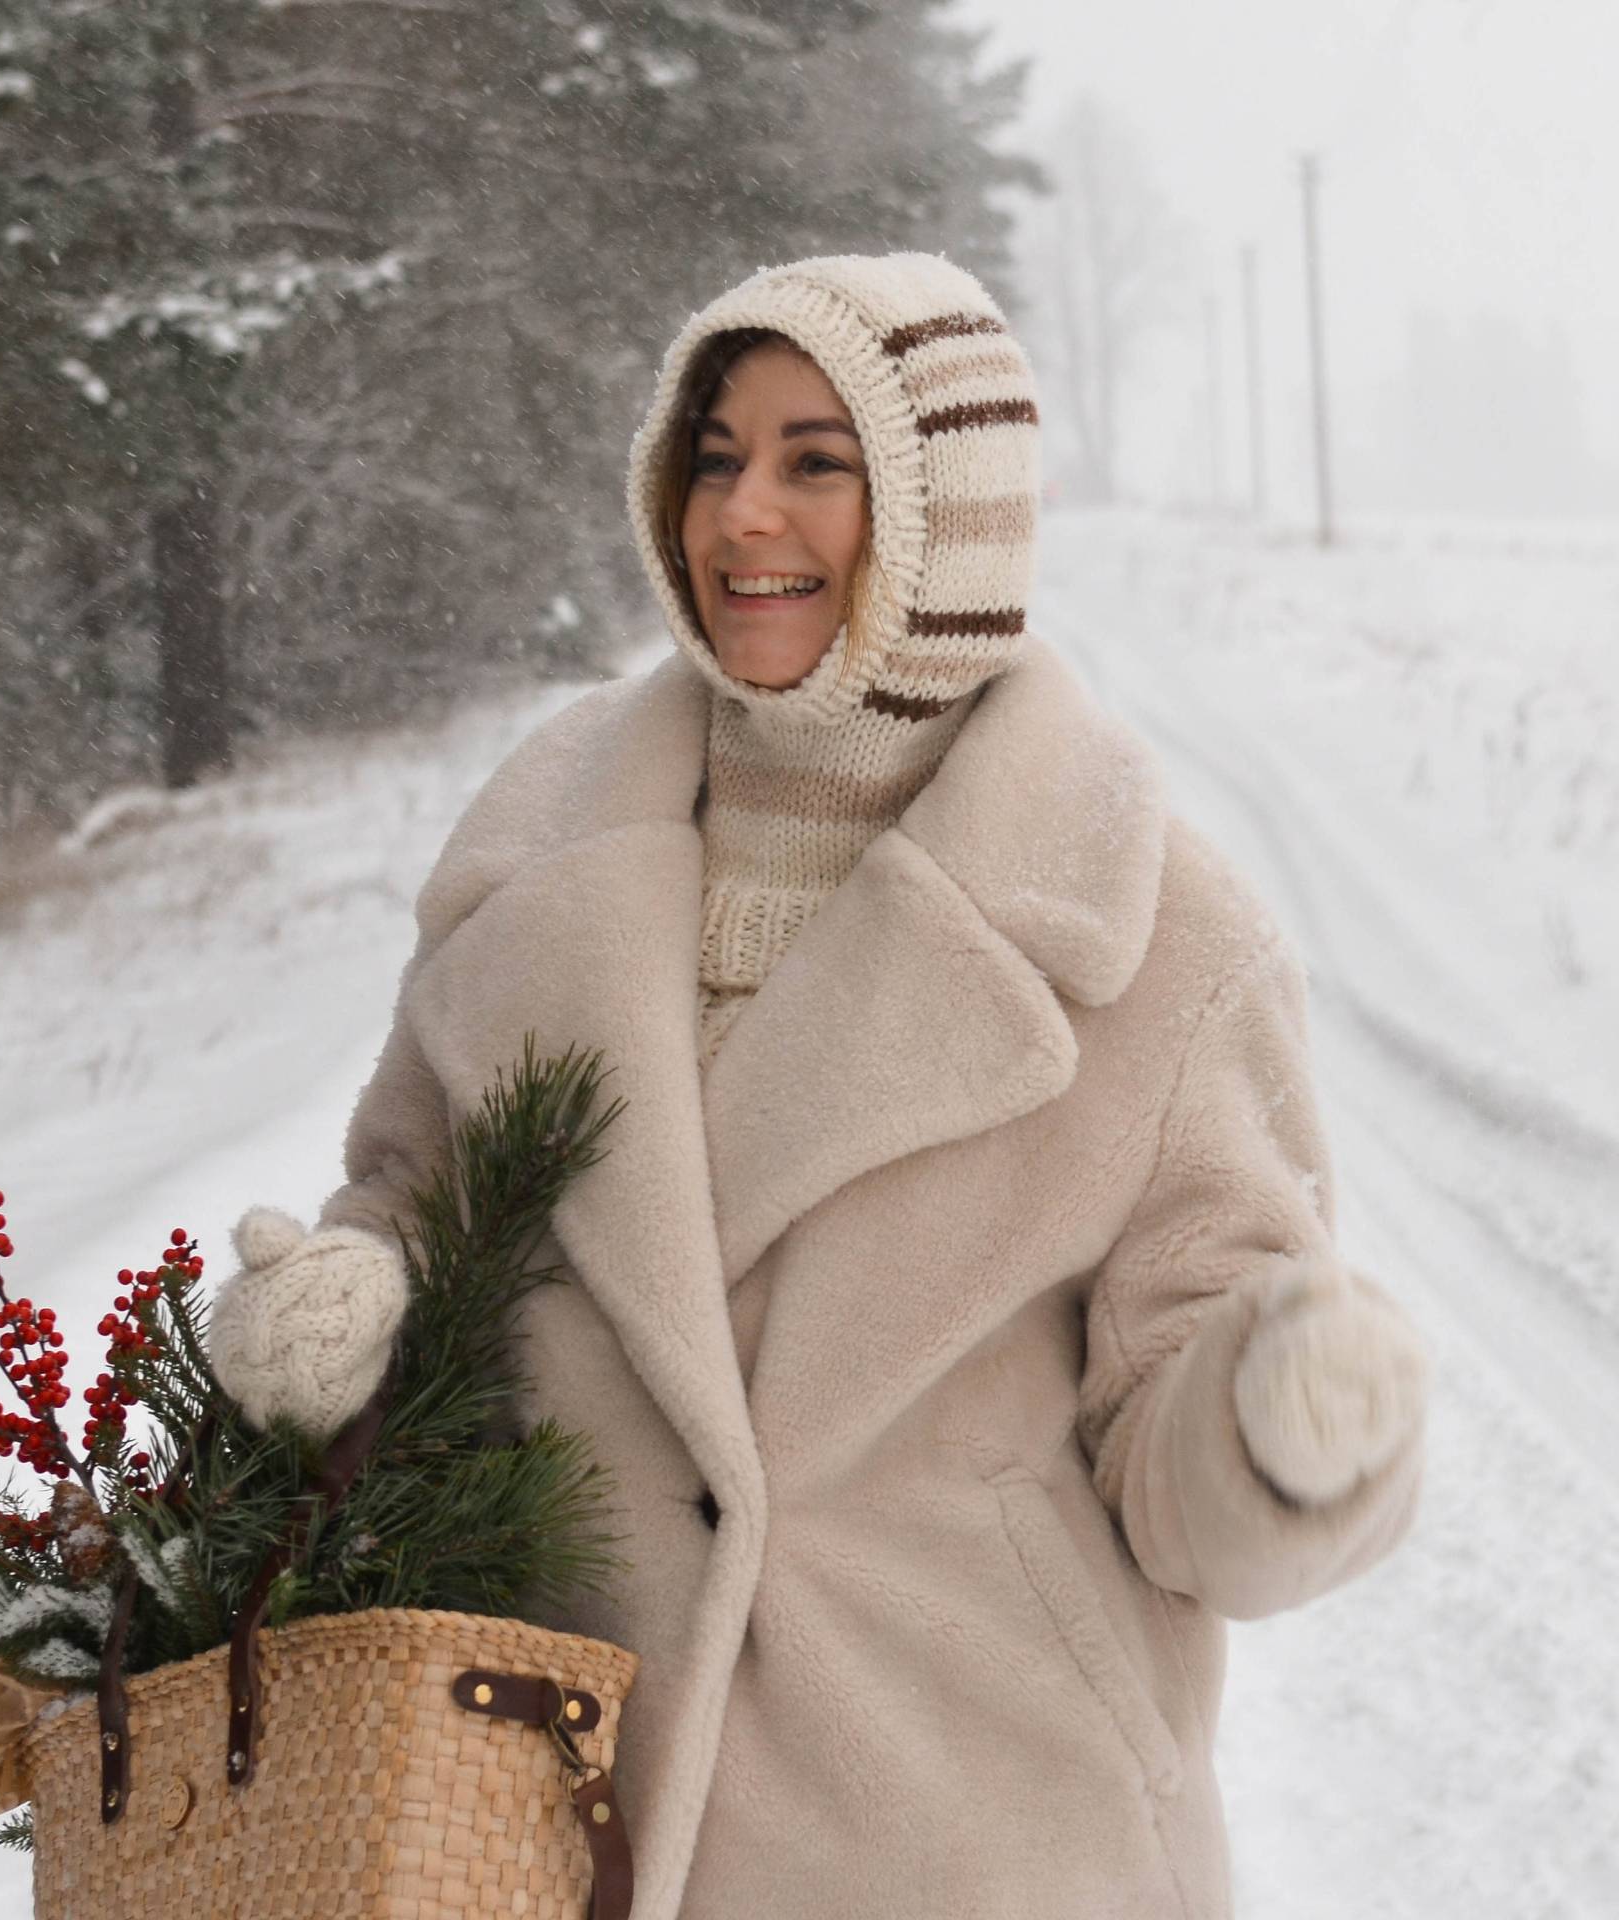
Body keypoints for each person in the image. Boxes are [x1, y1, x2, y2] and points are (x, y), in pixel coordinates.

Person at [206, 252, 1429, 1920]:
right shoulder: (541, 848)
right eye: (713, 457)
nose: (740, 519)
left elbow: (1181, 1458)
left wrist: (1280, 1429)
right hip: (538, 1823)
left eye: (814, 462)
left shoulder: (1160, 931)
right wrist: (351, 1304)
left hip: (973, 1836)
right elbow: (420, 1196)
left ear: (955, 516)